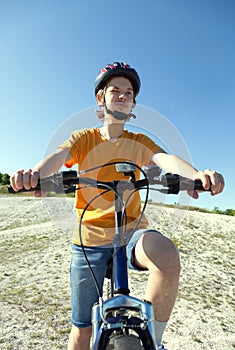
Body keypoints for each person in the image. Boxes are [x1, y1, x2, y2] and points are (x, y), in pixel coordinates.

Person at [10, 62, 224, 350]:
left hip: (131, 230)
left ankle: (155, 341)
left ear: (134, 102)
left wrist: (196, 175)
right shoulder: (84, 138)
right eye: (115, 91)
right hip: (89, 238)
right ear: (101, 98)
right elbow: (58, 157)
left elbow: (165, 159)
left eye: (128, 92)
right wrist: (35, 175)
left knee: (166, 254)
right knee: (82, 331)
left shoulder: (139, 142)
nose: (122, 96)